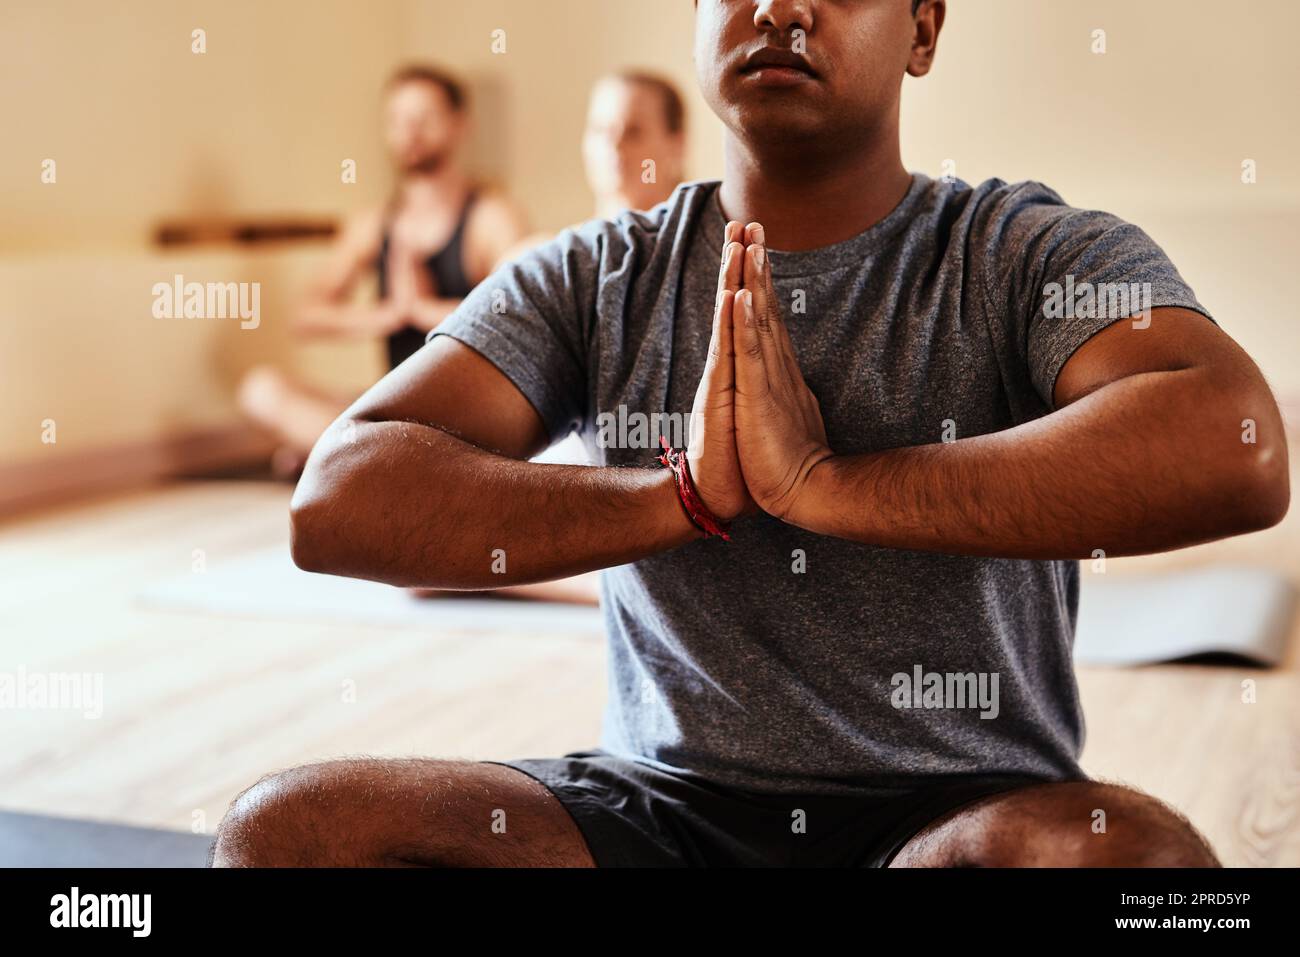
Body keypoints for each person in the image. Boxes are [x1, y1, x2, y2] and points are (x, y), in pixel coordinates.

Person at [213, 0, 1289, 867]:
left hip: (950, 825)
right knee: (292, 834)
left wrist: (825, 485)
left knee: (1133, 863)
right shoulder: (596, 272)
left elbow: (1234, 442)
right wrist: (678, 495)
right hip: (655, 814)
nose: (778, 9)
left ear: (922, 29)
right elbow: (338, 499)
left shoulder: (1023, 253)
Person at [237, 64, 529, 472]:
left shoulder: (491, 217)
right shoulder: (373, 224)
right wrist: (387, 314)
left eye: (424, 119)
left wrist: (424, 309)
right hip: (392, 411)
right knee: (261, 390)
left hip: (468, 419)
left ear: (460, 125)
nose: (409, 132)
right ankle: (367, 456)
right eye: (397, 120)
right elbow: (304, 316)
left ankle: (350, 458)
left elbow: (523, 320)